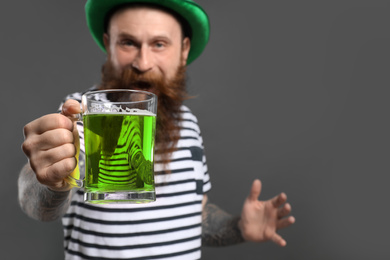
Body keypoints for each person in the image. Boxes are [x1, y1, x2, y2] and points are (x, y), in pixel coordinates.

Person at [18, 0, 295, 259]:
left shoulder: (188, 124)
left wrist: (239, 227)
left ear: (184, 50)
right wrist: (49, 180)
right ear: (108, 44)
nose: (143, 63)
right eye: (128, 42)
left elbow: (194, 215)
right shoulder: (80, 113)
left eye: (159, 44)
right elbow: (36, 205)